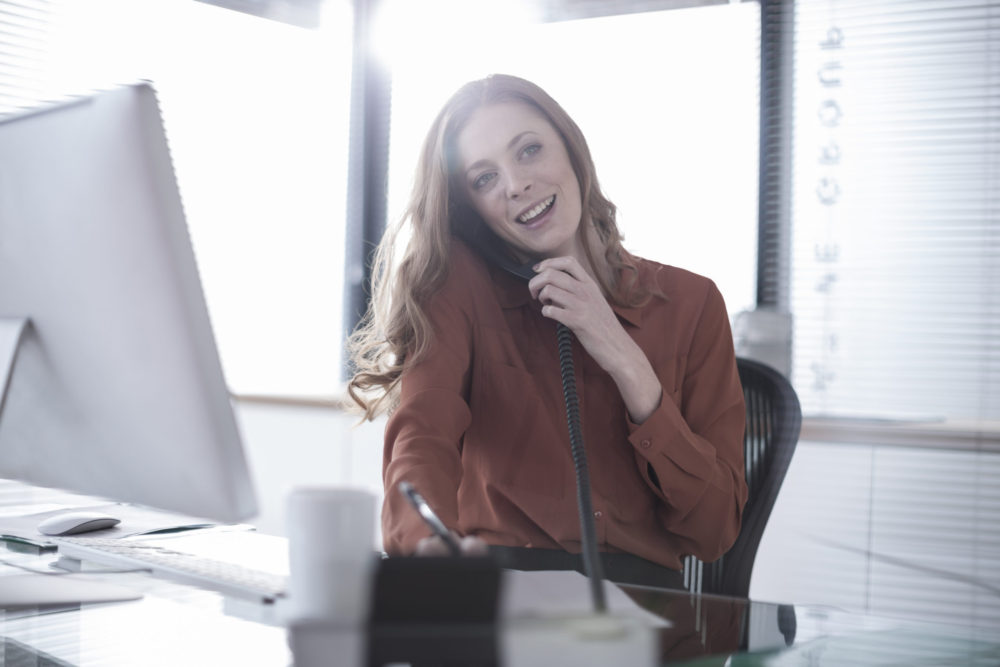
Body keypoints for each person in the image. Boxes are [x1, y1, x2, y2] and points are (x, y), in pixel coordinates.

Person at [348, 74, 747, 588]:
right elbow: (421, 439)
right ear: (470, 212)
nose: (515, 184)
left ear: (572, 150)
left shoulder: (694, 304)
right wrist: (428, 554)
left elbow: (715, 532)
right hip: (505, 590)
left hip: (643, 611)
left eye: (529, 150)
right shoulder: (459, 296)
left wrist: (626, 361)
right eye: (484, 179)